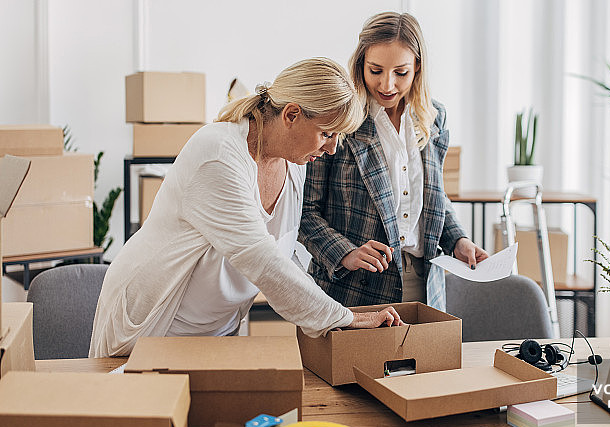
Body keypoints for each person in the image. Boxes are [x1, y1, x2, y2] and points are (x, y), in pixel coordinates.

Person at [89, 58, 402, 358]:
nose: (332, 147)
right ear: (292, 114)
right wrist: (345, 317)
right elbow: (262, 261)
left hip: (213, 332)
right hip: (153, 325)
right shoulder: (218, 154)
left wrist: (333, 313)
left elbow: (282, 255)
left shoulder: (294, 163)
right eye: (327, 133)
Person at [300, 12, 488, 311]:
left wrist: (458, 241)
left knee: (426, 360)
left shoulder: (433, 117)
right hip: (352, 287)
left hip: (423, 281)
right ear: (360, 64)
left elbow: (433, 197)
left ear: (418, 68)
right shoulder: (340, 118)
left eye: (400, 72)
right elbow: (305, 210)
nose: (386, 85)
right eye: (375, 70)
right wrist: (345, 253)